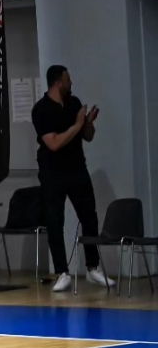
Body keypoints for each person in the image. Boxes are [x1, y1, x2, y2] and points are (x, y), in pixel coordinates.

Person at [32, 65, 114, 292]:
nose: (71, 84)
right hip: (52, 172)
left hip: (77, 168)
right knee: (55, 221)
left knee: (89, 217)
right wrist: (77, 124)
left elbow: (88, 136)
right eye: (68, 80)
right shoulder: (41, 110)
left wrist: (87, 123)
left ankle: (92, 268)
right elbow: (53, 143)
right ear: (58, 83)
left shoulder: (74, 103)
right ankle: (62, 272)